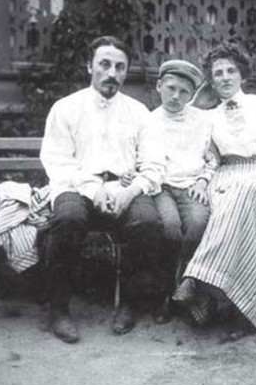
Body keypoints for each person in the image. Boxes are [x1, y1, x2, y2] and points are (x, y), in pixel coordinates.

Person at [40, 35, 165, 343]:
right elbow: (58, 162)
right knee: (67, 219)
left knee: (147, 222)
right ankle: (58, 308)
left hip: (125, 188)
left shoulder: (139, 113)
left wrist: (128, 192)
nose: (112, 73)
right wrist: (94, 190)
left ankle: (130, 303)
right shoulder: (66, 108)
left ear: (126, 72)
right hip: (77, 186)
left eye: (120, 67)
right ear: (89, 66)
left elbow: (153, 165)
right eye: (104, 64)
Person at [172, 41, 256, 342]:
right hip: (222, 177)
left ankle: (196, 278)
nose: (225, 77)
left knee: (243, 194)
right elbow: (195, 145)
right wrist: (198, 100)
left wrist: (248, 180)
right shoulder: (208, 116)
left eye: (231, 71)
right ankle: (229, 306)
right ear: (211, 81)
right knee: (225, 202)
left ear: (242, 74)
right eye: (218, 73)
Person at [149, 59, 219, 322]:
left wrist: (203, 181)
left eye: (184, 92)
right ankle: (164, 293)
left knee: (198, 223)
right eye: (171, 88)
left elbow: (212, 159)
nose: (176, 96)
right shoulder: (148, 121)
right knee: (170, 227)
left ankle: (187, 287)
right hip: (161, 187)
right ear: (159, 86)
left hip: (192, 185)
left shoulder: (201, 121)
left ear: (191, 95)